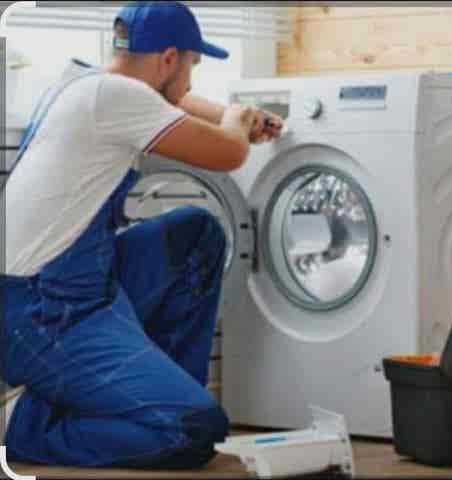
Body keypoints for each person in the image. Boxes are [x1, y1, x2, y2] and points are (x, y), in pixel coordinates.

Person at [1, 1, 283, 469]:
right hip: (40, 313)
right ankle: (21, 425)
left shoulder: (84, 81)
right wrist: (236, 119)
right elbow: (230, 153)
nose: (191, 80)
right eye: (193, 64)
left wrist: (237, 116)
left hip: (78, 286)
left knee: (195, 236)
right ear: (168, 58)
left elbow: (179, 102)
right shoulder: (117, 98)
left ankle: (160, 391)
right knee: (193, 429)